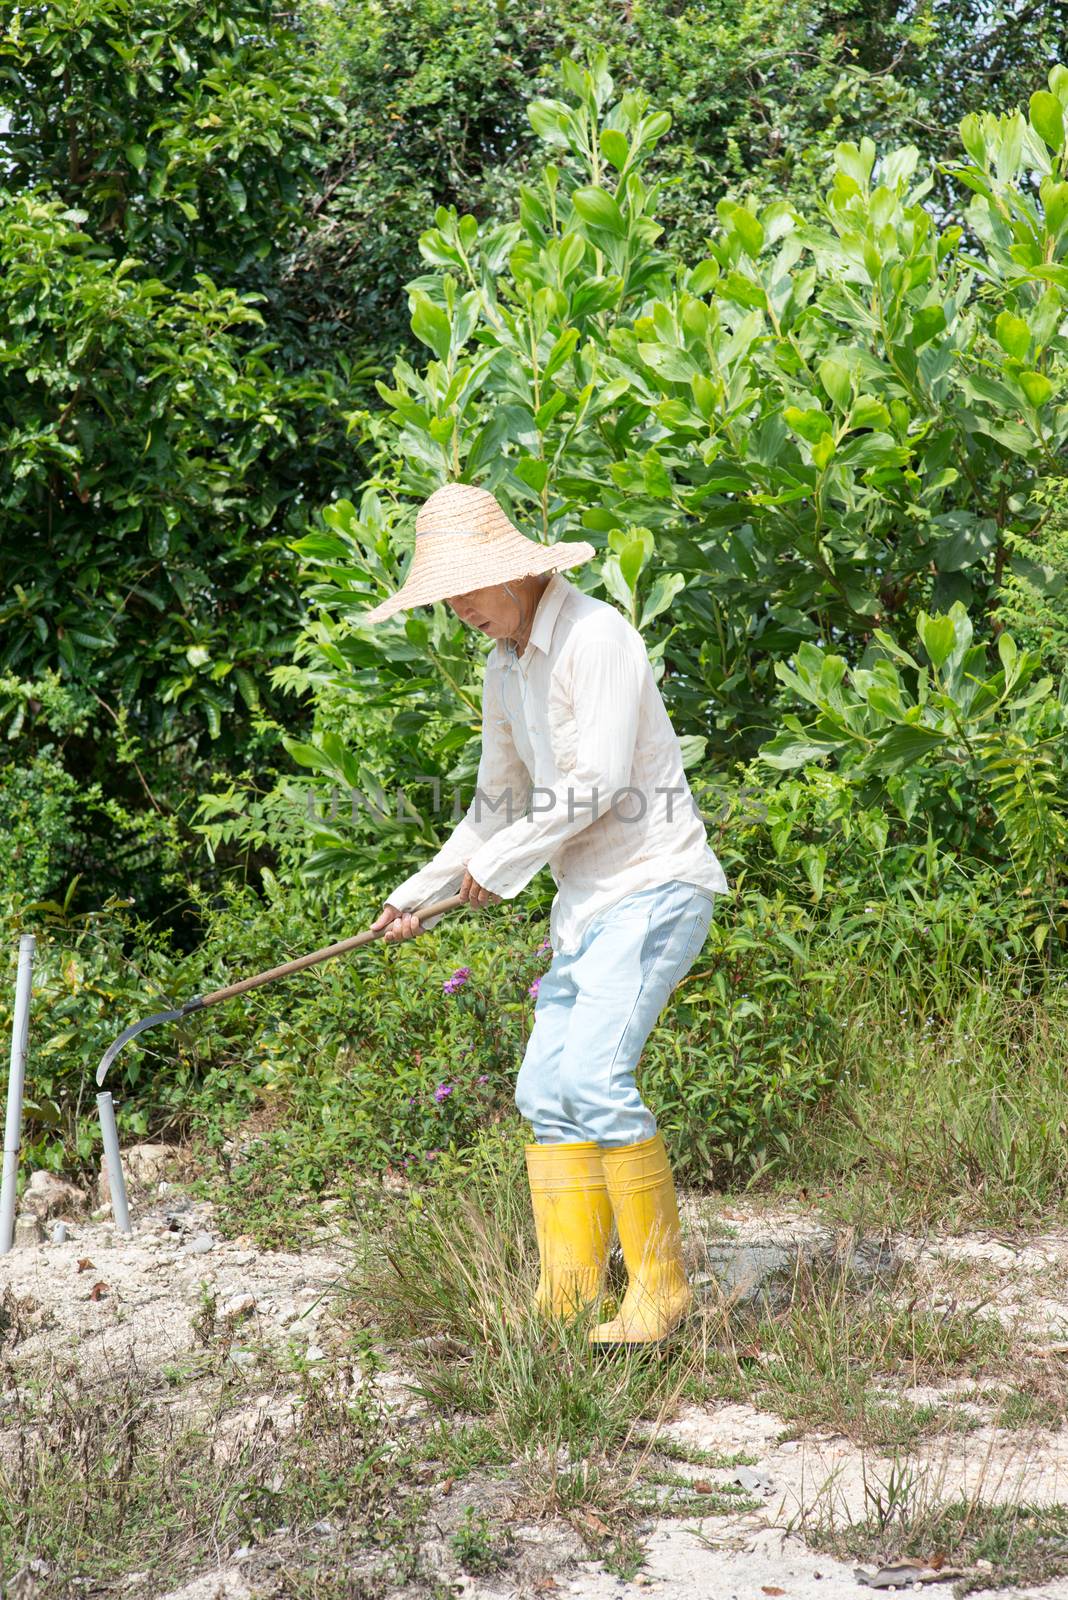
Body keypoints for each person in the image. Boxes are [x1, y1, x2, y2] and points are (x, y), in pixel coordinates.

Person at [364, 483, 728, 1343]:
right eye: (444, 596)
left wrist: (500, 868)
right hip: (585, 903)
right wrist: (414, 892)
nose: (458, 610)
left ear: (514, 574)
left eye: (464, 590)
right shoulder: (503, 667)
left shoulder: (597, 638)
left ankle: (663, 1292)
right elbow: (496, 804)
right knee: (545, 1090)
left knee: (595, 1079)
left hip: (654, 884)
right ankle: (570, 1292)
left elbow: (598, 781)